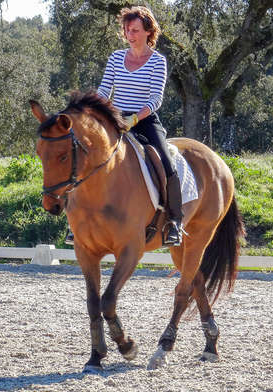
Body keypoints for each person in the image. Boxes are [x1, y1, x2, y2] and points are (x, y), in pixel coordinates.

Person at [97, 5, 182, 246]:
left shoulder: (157, 61)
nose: (129, 34)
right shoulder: (115, 57)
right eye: (126, 30)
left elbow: (156, 98)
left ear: (148, 31)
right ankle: (78, 222)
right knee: (86, 155)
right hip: (115, 118)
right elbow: (104, 90)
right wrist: (93, 107)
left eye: (134, 30)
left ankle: (175, 221)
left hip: (144, 120)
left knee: (167, 163)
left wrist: (134, 118)